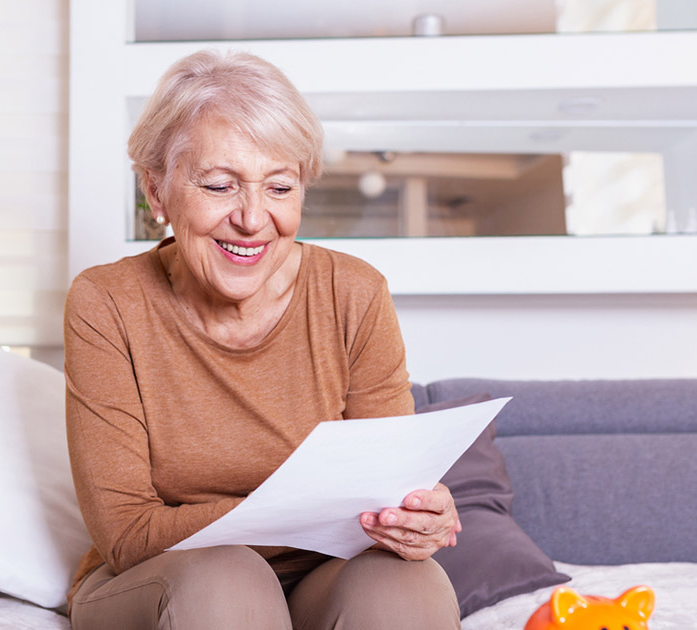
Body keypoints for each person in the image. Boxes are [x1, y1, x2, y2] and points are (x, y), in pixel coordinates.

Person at [64, 49, 461, 630]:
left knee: (406, 586)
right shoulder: (106, 303)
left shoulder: (354, 293)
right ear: (156, 191)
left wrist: (413, 518)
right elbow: (126, 532)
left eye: (279, 187)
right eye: (221, 186)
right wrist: (291, 511)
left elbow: (386, 492)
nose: (253, 220)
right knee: (229, 582)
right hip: (166, 576)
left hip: (322, 575)